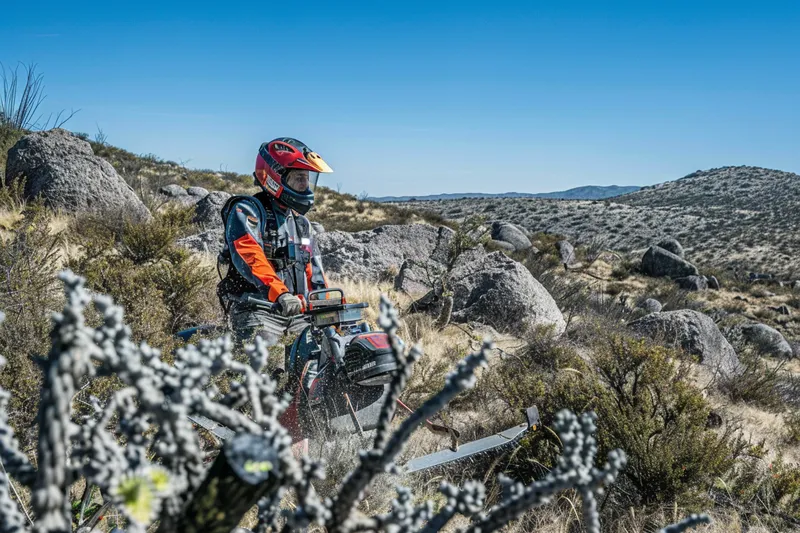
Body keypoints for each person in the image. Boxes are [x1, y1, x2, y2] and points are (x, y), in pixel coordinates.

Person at [216, 137, 333, 352]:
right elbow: (250, 255)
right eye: (298, 178)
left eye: (307, 178)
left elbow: (313, 272)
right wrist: (280, 293)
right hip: (257, 309)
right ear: (274, 177)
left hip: (296, 313)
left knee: (323, 353)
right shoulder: (247, 210)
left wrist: (327, 303)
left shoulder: (301, 223)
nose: (305, 185)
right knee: (266, 356)